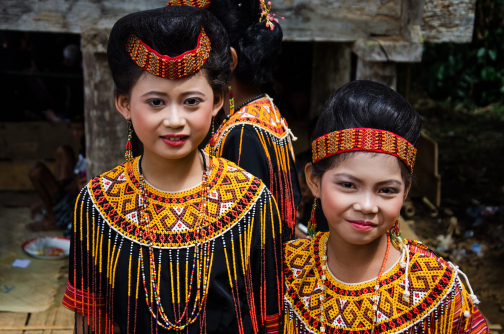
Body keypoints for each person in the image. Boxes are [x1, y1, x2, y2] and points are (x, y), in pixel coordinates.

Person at [62, 6, 283, 334]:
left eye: (192, 101)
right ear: (123, 103)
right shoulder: (95, 206)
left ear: (218, 100)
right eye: (156, 102)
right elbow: (90, 318)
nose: (175, 120)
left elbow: (270, 319)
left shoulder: (252, 203)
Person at [283, 81, 489, 334]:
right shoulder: (285, 271)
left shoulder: (437, 286)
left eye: (387, 190)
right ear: (314, 181)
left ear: (406, 192)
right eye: (348, 185)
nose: (368, 206)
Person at [168, 0, 301, 240]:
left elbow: (240, 232)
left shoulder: (241, 133)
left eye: (200, 55)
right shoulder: (265, 111)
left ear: (229, 60)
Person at [27, 116, 86, 234]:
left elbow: (79, 184)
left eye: (79, 129)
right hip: (69, 191)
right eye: (73, 129)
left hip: (74, 199)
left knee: (37, 171)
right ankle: (53, 207)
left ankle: (52, 218)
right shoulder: (83, 145)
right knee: (63, 150)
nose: (75, 133)